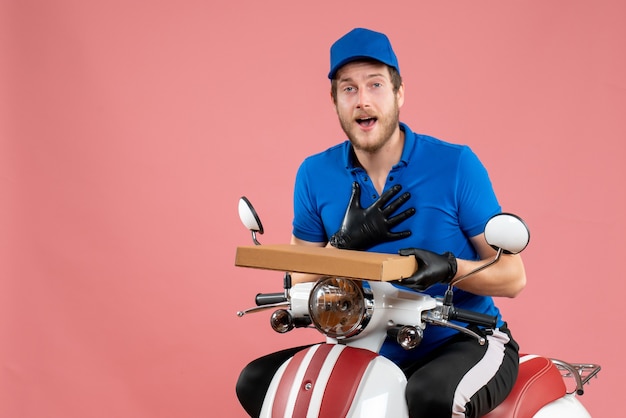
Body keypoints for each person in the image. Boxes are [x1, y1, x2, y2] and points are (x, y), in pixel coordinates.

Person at [236, 27, 526, 418]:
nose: (362, 101)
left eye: (375, 85)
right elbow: (295, 279)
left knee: (429, 397)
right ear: (335, 100)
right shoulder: (315, 174)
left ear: (399, 93)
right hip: (362, 342)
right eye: (349, 89)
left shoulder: (455, 165)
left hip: (462, 338)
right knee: (258, 381)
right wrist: (342, 244)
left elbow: (513, 277)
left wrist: (449, 268)